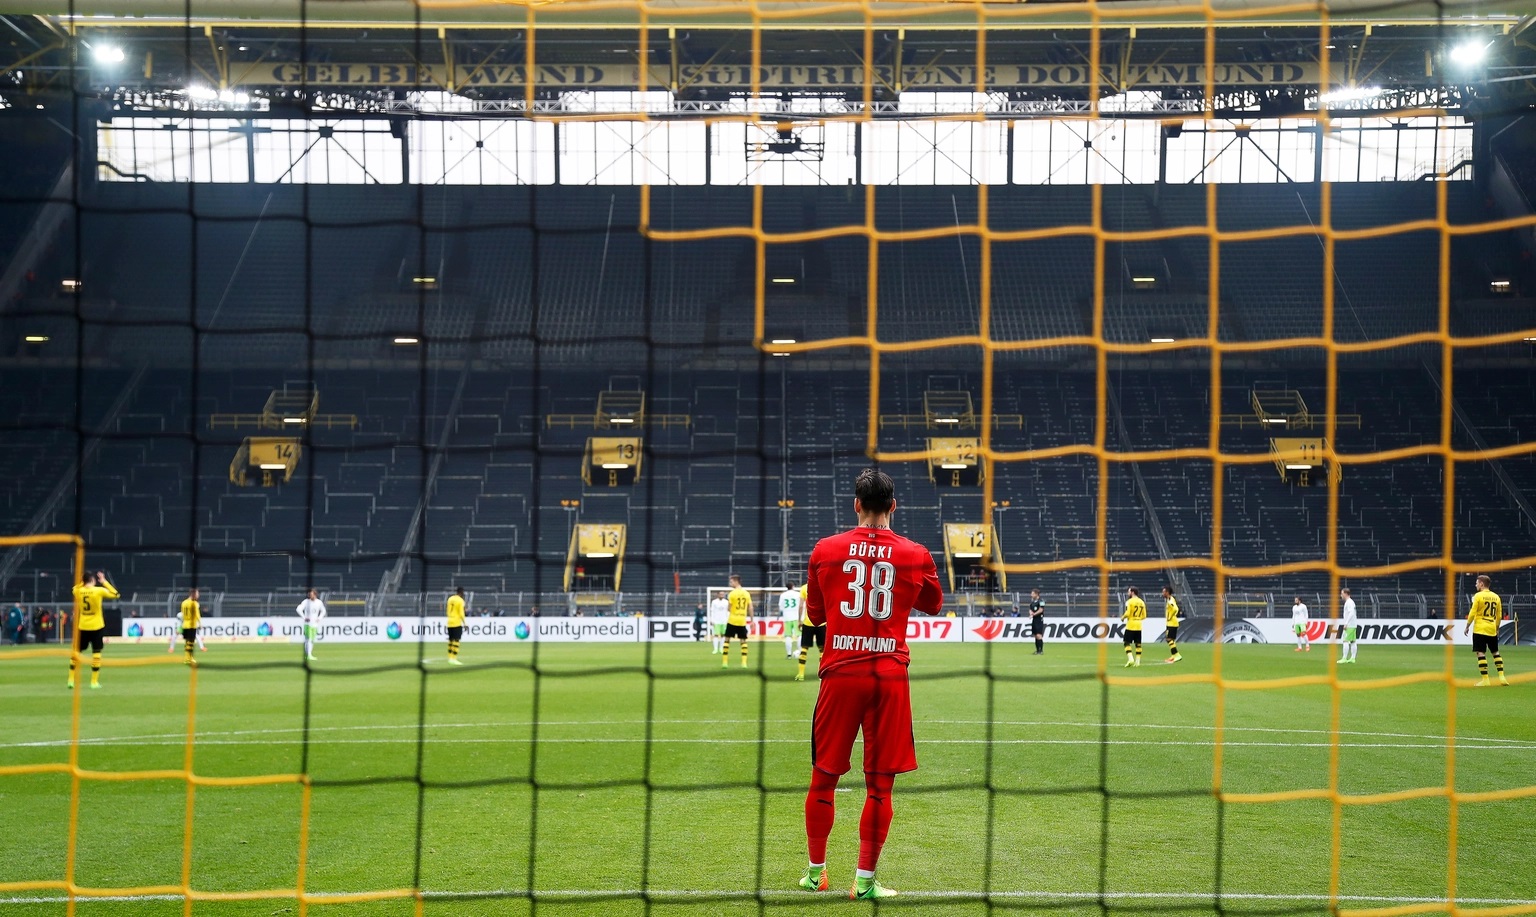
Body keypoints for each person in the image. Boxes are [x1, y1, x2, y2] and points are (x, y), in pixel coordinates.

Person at [799, 467, 944, 900]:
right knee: (880, 786)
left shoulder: (826, 549)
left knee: (823, 778)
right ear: (893, 507)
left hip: (840, 674)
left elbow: (817, 615)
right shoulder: (915, 553)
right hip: (889, 678)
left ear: (857, 505)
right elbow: (933, 604)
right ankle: (863, 882)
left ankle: (815, 873)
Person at [69, 571, 119, 690]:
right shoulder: (98, 590)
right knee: (96, 653)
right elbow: (115, 594)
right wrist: (104, 582)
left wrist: (82, 583)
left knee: (76, 652)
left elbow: (73, 589)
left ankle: (70, 680)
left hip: (83, 625)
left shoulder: (78, 591)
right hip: (96, 626)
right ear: (93, 580)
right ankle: (94, 682)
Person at [1463, 574, 1509, 687]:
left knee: (1480, 653)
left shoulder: (1478, 596)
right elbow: (1499, 615)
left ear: (1482, 584)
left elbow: (1473, 612)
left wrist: (1467, 625)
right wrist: (1497, 628)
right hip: (1491, 628)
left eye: (1477, 583)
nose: (1476, 585)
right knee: (1495, 652)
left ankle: (1485, 680)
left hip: (1480, 628)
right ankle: (1502, 677)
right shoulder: (1496, 597)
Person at [796, 583, 825, 683]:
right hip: (821, 622)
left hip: (808, 621)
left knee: (804, 648)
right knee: (822, 650)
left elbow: (800, 606)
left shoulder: (804, 588)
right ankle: (821, 676)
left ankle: (801, 674)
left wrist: (799, 620)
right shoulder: (823, 585)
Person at [723, 575, 752, 669]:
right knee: (743, 641)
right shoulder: (746, 593)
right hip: (742, 620)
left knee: (727, 640)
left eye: (731, 582)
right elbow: (750, 607)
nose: (730, 583)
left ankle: (725, 662)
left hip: (732, 619)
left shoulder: (732, 594)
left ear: (736, 582)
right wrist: (752, 620)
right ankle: (744, 663)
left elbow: (729, 608)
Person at [296, 588, 327, 661]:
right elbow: (298, 609)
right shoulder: (306, 602)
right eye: (309, 594)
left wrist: (319, 618)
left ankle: (308, 654)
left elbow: (323, 611)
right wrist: (304, 617)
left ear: (315, 594)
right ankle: (308, 654)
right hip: (307, 624)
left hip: (315, 624)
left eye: (311, 594)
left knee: (312, 640)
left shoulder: (319, 602)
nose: (310, 595)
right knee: (308, 639)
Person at [1121, 587, 1146, 668]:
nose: (1128, 593)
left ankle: (1131, 659)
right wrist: (1138, 619)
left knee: (1126, 642)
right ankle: (1137, 662)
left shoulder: (1129, 602)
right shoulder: (1142, 602)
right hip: (1139, 625)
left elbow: (1128, 613)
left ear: (1132, 592)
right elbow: (1144, 616)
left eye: (1128, 592)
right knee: (1138, 644)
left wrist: (1123, 617)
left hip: (1131, 624)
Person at [178, 588, 202, 666]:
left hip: (185, 624)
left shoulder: (183, 602)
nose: (198, 595)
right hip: (191, 624)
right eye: (197, 593)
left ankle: (188, 658)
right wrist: (200, 623)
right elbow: (197, 614)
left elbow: (182, 614)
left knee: (187, 642)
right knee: (190, 642)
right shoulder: (194, 603)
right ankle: (188, 659)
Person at [781, 582, 802, 659]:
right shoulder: (797, 594)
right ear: (793, 586)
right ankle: (800, 652)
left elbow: (781, 607)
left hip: (787, 617)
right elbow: (801, 605)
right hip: (796, 617)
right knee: (799, 635)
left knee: (788, 636)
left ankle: (789, 654)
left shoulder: (783, 595)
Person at [446, 586, 466, 665]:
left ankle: (450, 658)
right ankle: (454, 658)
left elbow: (447, 611)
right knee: (456, 640)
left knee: (451, 640)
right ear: (461, 592)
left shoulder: (450, 599)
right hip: (456, 622)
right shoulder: (460, 601)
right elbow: (461, 613)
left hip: (449, 622)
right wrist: (465, 623)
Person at [1338, 588, 1358, 664]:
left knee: (1345, 641)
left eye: (1342, 593)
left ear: (1346, 594)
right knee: (1353, 641)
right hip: (1353, 624)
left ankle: (1344, 658)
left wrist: (1346, 623)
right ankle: (1352, 658)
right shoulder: (1351, 602)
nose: (1341, 595)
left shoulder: (1349, 602)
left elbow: (1351, 613)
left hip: (1349, 625)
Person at [1162, 586, 1182, 663]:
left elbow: (1176, 609)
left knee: (1169, 639)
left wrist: (1170, 616)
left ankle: (1177, 655)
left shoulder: (1170, 601)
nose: (1162, 593)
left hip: (1172, 623)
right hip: (1171, 623)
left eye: (1163, 592)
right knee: (1171, 640)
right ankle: (1173, 656)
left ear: (1167, 592)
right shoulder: (1170, 599)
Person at [708, 590, 729, 655]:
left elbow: (728, 611)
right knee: (716, 635)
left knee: (723, 635)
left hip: (724, 621)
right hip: (716, 621)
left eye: (723, 594)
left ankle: (721, 648)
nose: (722, 595)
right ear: (718, 594)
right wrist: (711, 619)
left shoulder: (726, 602)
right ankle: (715, 649)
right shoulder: (714, 602)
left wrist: (728, 620)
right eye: (721, 594)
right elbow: (712, 611)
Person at [1028, 589, 1045, 655]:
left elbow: (1041, 610)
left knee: (1039, 635)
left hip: (1039, 620)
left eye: (1032, 593)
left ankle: (1041, 650)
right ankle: (1037, 650)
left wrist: (1033, 614)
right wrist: (1030, 613)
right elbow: (1030, 609)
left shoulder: (1041, 601)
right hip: (1034, 620)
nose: (1031, 595)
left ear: (1036, 594)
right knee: (1035, 635)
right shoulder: (1032, 602)